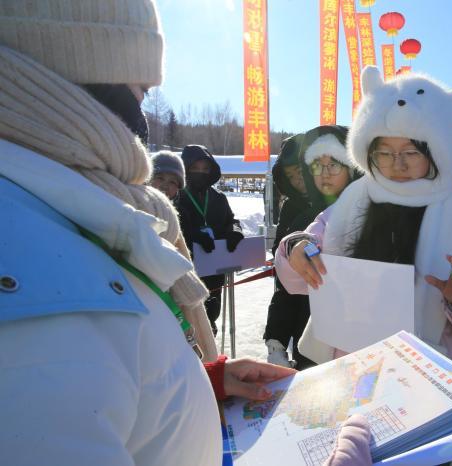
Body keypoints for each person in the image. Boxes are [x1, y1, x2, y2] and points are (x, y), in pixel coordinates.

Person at [0, 3, 374, 465]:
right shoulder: (25, 254)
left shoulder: (71, 205)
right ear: (77, 70)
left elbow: (116, 378)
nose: (139, 120)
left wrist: (200, 380)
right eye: (139, 92)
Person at [275, 66, 452, 369]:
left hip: (428, 379)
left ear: (437, 152)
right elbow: (301, 264)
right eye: (385, 152)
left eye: (411, 152)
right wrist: (297, 250)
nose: (397, 164)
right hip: (348, 367)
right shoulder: (353, 201)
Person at [264, 126, 358, 369]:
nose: (325, 174)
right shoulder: (301, 213)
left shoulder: (372, 210)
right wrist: (276, 339)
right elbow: (286, 283)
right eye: (316, 166)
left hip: (362, 341)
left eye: (334, 165)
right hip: (312, 334)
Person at [176, 144, 245, 334]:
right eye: (195, 168)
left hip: (215, 266)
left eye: (205, 169)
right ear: (185, 169)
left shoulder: (218, 197)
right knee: (188, 317)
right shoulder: (178, 196)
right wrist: (193, 236)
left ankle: (210, 350)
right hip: (187, 268)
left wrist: (235, 231)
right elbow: (172, 226)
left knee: (211, 311)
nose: (201, 173)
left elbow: (232, 220)